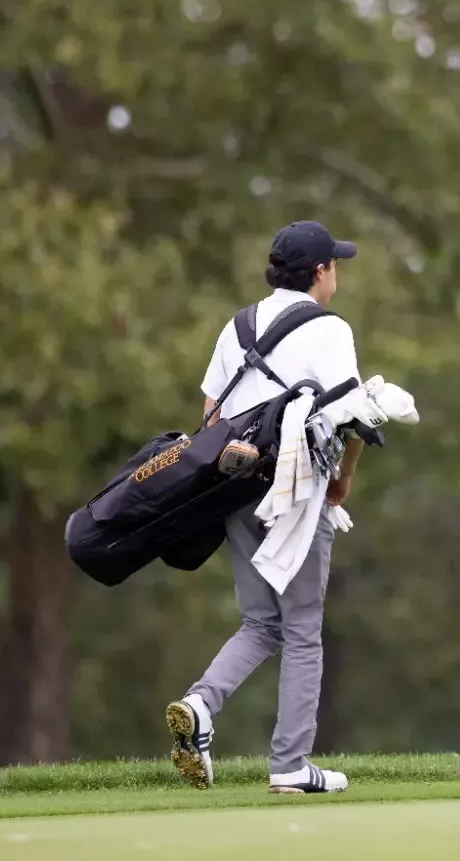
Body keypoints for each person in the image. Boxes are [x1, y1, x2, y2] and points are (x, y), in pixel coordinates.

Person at [164, 220, 366, 795]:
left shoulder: (239, 325)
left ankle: (200, 706)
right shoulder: (330, 328)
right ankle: (291, 765)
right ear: (320, 272)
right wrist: (344, 479)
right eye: (335, 264)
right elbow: (354, 414)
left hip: (237, 488)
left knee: (261, 622)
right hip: (296, 494)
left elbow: (211, 414)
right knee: (301, 629)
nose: (337, 273)